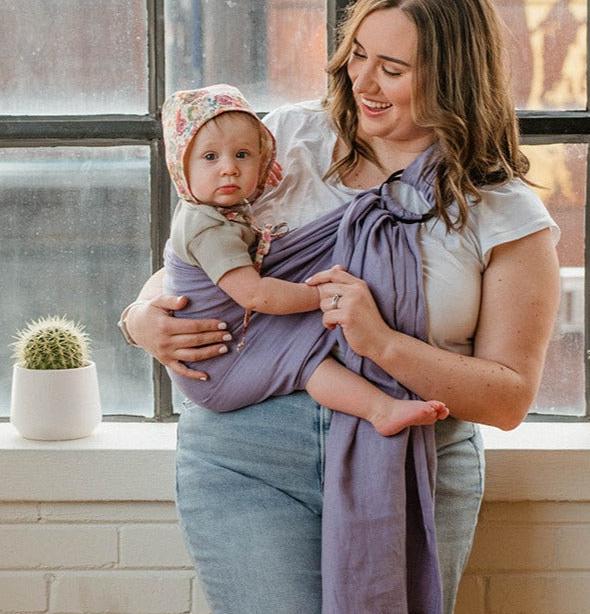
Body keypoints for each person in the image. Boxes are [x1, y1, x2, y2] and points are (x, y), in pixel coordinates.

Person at [120, 0, 561, 614]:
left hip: (409, 467)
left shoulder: (506, 216)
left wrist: (381, 342)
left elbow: (509, 396)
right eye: (359, 54)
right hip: (250, 460)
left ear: (454, 78)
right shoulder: (286, 144)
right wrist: (139, 315)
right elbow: (194, 253)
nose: (363, 81)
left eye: (393, 68)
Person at [157, 81, 450, 436]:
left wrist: (260, 179)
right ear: (180, 168)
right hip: (216, 366)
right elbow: (256, 295)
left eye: (243, 155)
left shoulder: (219, 206)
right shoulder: (207, 227)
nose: (229, 169)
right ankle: (380, 409)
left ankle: (382, 408)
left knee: (306, 359)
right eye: (210, 157)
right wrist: (320, 296)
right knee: (304, 362)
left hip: (220, 351)